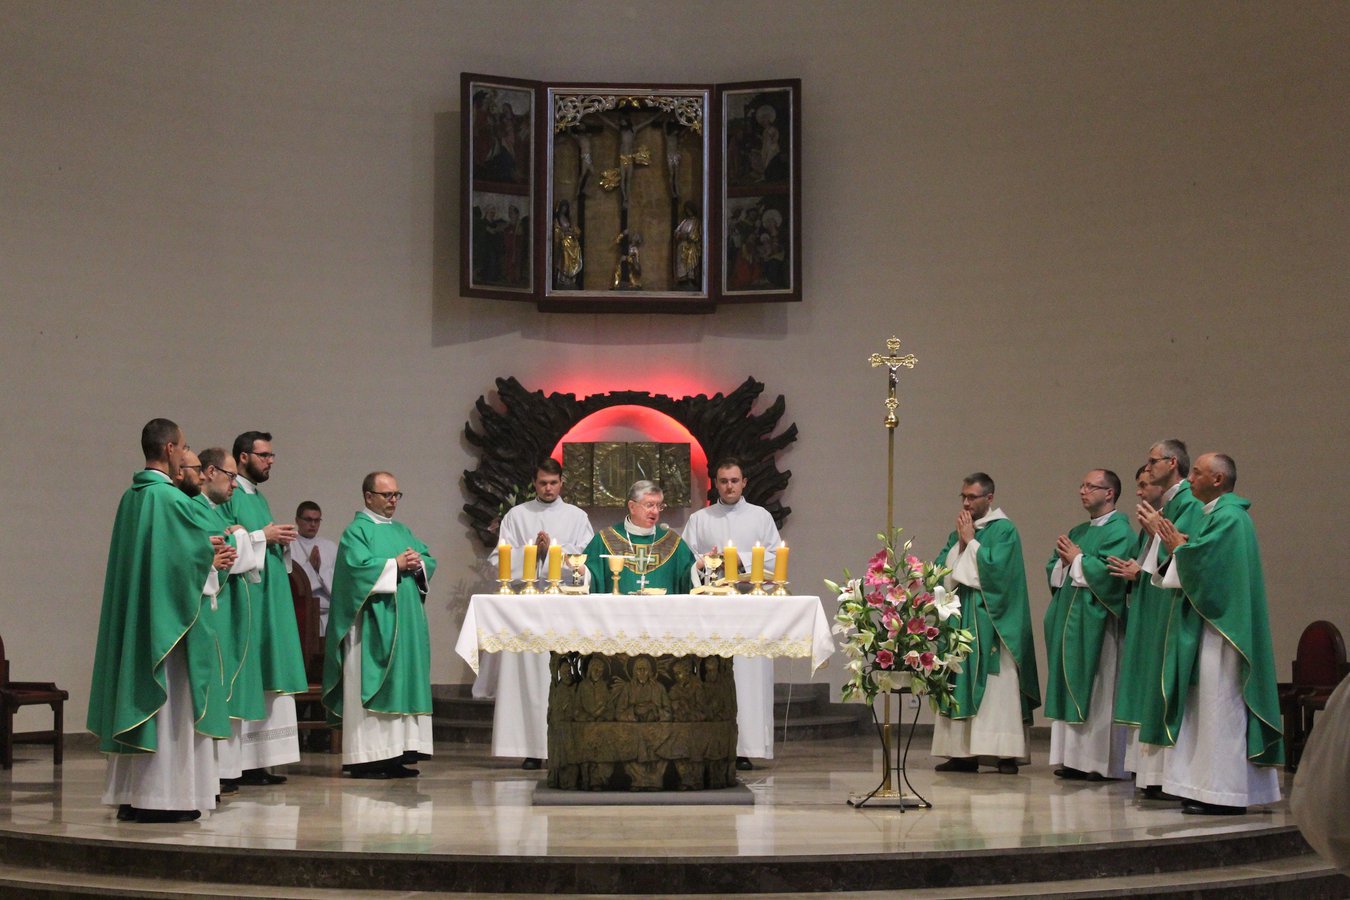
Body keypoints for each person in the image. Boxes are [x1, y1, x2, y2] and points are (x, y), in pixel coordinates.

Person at [88, 419, 234, 823]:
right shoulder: (169, 499)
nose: (187, 453)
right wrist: (211, 560)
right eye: (184, 446)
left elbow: (160, 557)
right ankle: (164, 799)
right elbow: (183, 562)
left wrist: (201, 553)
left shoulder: (132, 498)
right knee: (171, 707)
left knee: (143, 702)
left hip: (140, 619)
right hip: (168, 629)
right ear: (169, 449)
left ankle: (132, 795)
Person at [1147, 453, 1283, 814]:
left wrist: (1179, 547)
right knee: (1204, 710)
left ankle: (1227, 793)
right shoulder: (1215, 516)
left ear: (1218, 479)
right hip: (1208, 626)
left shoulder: (1231, 518)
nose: (1190, 478)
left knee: (1220, 708)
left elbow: (1209, 568)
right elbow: (1200, 558)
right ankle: (1204, 787)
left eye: (1197, 472)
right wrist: (1180, 547)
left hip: (1223, 632)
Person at [322, 471, 437, 779]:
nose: (393, 500)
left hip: (405, 626)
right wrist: (394, 565)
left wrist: (419, 562)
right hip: (371, 627)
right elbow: (353, 571)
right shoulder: (356, 531)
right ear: (368, 496)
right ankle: (368, 758)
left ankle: (397, 755)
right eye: (387, 495)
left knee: (403, 684)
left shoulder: (402, 530)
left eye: (397, 494)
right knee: (370, 683)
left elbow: (427, 558)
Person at [485, 460, 594, 770]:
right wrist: (533, 553)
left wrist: (554, 552)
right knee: (529, 679)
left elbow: (587, 563)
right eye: (543, 482)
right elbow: (498, 560)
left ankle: (567, 746)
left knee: (563, 675)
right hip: (527, 608)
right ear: (534, 483)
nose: (548, 488)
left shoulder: (577, 517)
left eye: (553, 482)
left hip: (565, 607)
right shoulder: (517, 516)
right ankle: (531, 747)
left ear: (562, 483)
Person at [1111, 439, 1204, 798]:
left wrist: (1159, 537)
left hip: (1170, 605)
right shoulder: (1167, 505)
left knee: (1164, 685)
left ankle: (1167, 777)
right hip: (1153, 603)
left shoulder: (1189, 504)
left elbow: (1188, 552)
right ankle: (1151, 775)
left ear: (1173, 462)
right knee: (1149, 685)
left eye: (1152, 462)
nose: (1147, 468)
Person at [931, 473, 1040, 775]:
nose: (966, 503)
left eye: (972, 497)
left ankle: (1004, 753)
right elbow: (941, 571)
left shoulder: (1005, 530)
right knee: (959, 681)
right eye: (963, 496)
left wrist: (970, 542)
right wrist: (961, 544)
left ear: (989, 498)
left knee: (999, 686)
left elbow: (1000, 572)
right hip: (962, 620)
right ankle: (961, 754)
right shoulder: (958, 533)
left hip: (993, 622)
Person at [683, 458, 781, 771]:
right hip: (712, 610)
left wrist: (739, 560)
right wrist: (705, 561)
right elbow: (685, 558)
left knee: (749, 676)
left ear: (744, 483)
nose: (729, 486)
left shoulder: (760, 517)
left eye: (734, 481)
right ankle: (710, 744)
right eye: (723, 481)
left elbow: (775, 556)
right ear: (716, 483)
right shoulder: (700, 519)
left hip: (750, 607)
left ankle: (745, 747)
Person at [221, 431, 306, 785]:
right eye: (264, 455)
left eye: (272, 455)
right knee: (247, 673)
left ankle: (259, 762)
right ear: (243, 457)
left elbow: (257, 538)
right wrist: (263, 537)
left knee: (269, 673)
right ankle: (236, 764)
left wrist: (278, 539)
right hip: (246, 599)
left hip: (269, 598)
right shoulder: (229, 495)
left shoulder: (259, 497)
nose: (270, 461)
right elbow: (226, 539)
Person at [1043, 469, 1134, 781]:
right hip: (1071, 622)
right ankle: (1072, 759)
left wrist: (1079, 560)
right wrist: (1063, 561)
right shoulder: (1079, 530)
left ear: (1109, 493)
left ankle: (1099, 763)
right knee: (1073, 686)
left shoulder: (1121, 531)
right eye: (1081, 485)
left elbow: (1112, 575)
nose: (1083, 491)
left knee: (1099, 689)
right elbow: (1057, 568)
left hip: (1099, 627)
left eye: (1091, 486)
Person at [194, 446, 260, 793]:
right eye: (231, 476)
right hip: (209, 613)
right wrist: (238, 537)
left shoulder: (215, 513)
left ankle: (222, 773)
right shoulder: (194, 509)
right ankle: (211, 775)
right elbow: (206, 556)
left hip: (225, 612)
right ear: (209, 472)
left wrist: (237, 535)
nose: (235, 484)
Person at [583, 481, 695, 595]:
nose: (655, 511)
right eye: (650, 505)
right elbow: (590, 575)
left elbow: (687, 578)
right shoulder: (604, 539)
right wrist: (582, 571)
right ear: (632, 507)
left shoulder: (672, 541)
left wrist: (698, 567)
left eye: (659, 506)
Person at [290, 501, 337, 637]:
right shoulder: (288, 545)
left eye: (317, 520)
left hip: (328, 613)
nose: (313, 524)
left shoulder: (330, 547)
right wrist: (310, 566)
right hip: (301, 613)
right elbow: (291, 583)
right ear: (297, 520)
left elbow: (338, 583)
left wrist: (320, 569)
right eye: (308, 520)